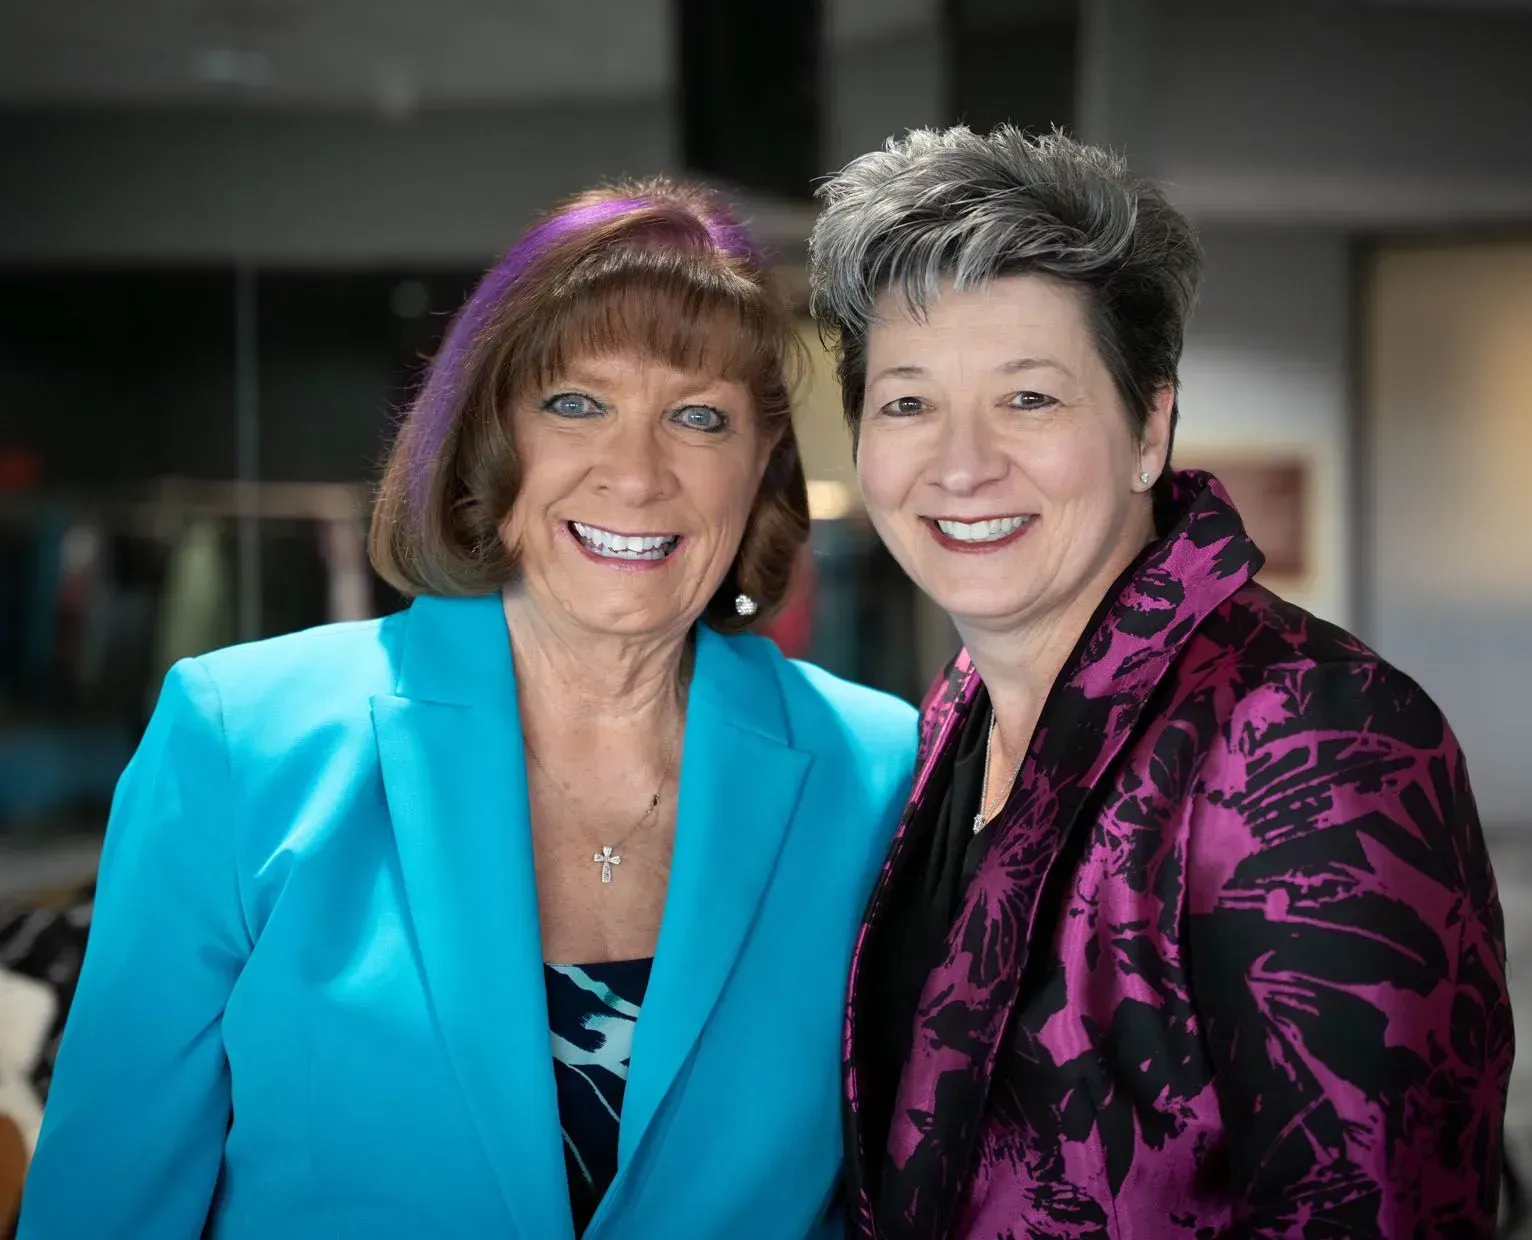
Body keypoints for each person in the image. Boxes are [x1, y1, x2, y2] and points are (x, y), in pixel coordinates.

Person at [18, 179, 918, 1239]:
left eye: (697, 416)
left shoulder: (880, 769)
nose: (635, 473)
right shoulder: (240, 738)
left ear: (762, 459)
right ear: (490, 443)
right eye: (575, 403)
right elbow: (103, 1208)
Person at [808, 126, 1512, 1238]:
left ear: (1150, 427)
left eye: (1029, 398)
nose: (960, 462)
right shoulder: (956, 717)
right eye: (906, 403)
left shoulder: (1308, 730)